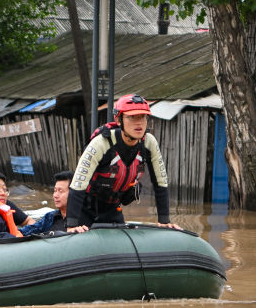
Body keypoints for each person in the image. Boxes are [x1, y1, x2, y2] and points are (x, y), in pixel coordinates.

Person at [67, 94, 182, 232]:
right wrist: (72, 225)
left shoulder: (149, 142)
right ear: (119, 120)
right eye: (132, 117)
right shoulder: (102, 142)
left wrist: (164, 221)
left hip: (113, 208)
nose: (139, 123)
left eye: (143, 117)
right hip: (85, 209)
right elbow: (78, 184)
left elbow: (161, 182)